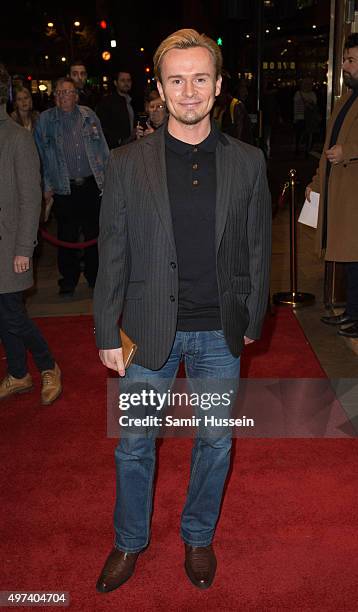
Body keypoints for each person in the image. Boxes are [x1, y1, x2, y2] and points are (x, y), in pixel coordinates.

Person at [93, 29, 271, 593]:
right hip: (146, 332)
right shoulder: (126, 163)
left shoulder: (247, 161)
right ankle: (129, 542)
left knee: (216, 442)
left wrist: (251, 321)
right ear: (162, 88)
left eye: (199, 79)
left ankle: (197, 535)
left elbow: (259, 247)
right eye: (177, 80)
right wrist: (105, 329)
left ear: (217, 87)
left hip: (220, 332)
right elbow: (112, 252)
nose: (188, 91)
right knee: (135, 445)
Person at [0, 64, 61, 405]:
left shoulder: (18, 138)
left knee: (12, 314)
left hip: (9, 247)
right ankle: (19, 374)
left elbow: (30, 197)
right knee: (3, 315)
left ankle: (48, 365)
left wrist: (24, 247)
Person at [34, 77, 109, 296]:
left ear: (76, 95)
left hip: (90, 186)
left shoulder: (89, 115)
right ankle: (68, 280)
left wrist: (108, 181)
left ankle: (95, 278)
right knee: (66, 237)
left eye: (67, 92)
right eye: (58, 93)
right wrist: (46, 187)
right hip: (63, 188)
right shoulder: (45, 120)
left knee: (93, 234)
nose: (62, 96)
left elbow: (103, 150)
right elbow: (40, 157)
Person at [307, 34, 358, 338]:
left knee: (355, 258)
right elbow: (328, 147)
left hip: (352, 196)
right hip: (339, 192)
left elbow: (343, 148)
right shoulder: (344, 99)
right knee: (351, 259)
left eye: (351, 61)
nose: (344, 66)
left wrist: (349, 152)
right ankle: (351, 312)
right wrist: (315, 183)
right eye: (344, 60)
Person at [96, 71, 135, 149]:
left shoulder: (132, 101)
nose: (126, 83)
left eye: (128, 80)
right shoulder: (107, 102)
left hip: (131, 147)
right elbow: (102, 127)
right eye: (122, 80)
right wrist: (119, 141)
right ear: (115, 83)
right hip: (116, 149)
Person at [293, 78, 320, 157]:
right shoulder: (299, 94)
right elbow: (295, 106)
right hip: (300, 117)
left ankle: (306, 150)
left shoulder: (312, 94)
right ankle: (299, 149)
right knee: (299, 134)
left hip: (308, 117)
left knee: (308, 134)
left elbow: (315, 106)